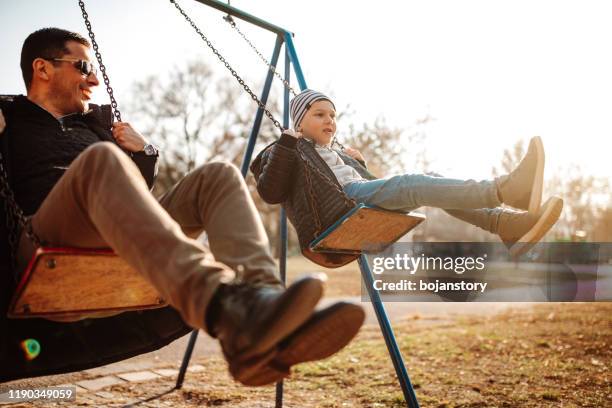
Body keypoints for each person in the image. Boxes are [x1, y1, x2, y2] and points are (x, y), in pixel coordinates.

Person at [0, 28, 365, 386]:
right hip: (42, 241)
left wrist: (144, 152)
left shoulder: (98, 128)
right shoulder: (10, 118)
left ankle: (263, 310)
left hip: (114, 238)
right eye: (82, 67)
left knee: (217, 176)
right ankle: (226, 311)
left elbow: (133, 193)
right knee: (101, 161)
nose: (93, 79)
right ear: (42, 69)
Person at [251, 89, 563, 258]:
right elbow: (270, 192)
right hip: (340, 209)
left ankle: (506, 225)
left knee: (430, 179)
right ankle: (507, 189)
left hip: (357, 196)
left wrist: (358, 164)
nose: (329, 120)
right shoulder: (291, 148)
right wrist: (286, 142)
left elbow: (373, 187)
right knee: (413, 184)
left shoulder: (334, 153)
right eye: (319, 114)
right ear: (299, 123)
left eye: (333, 115)